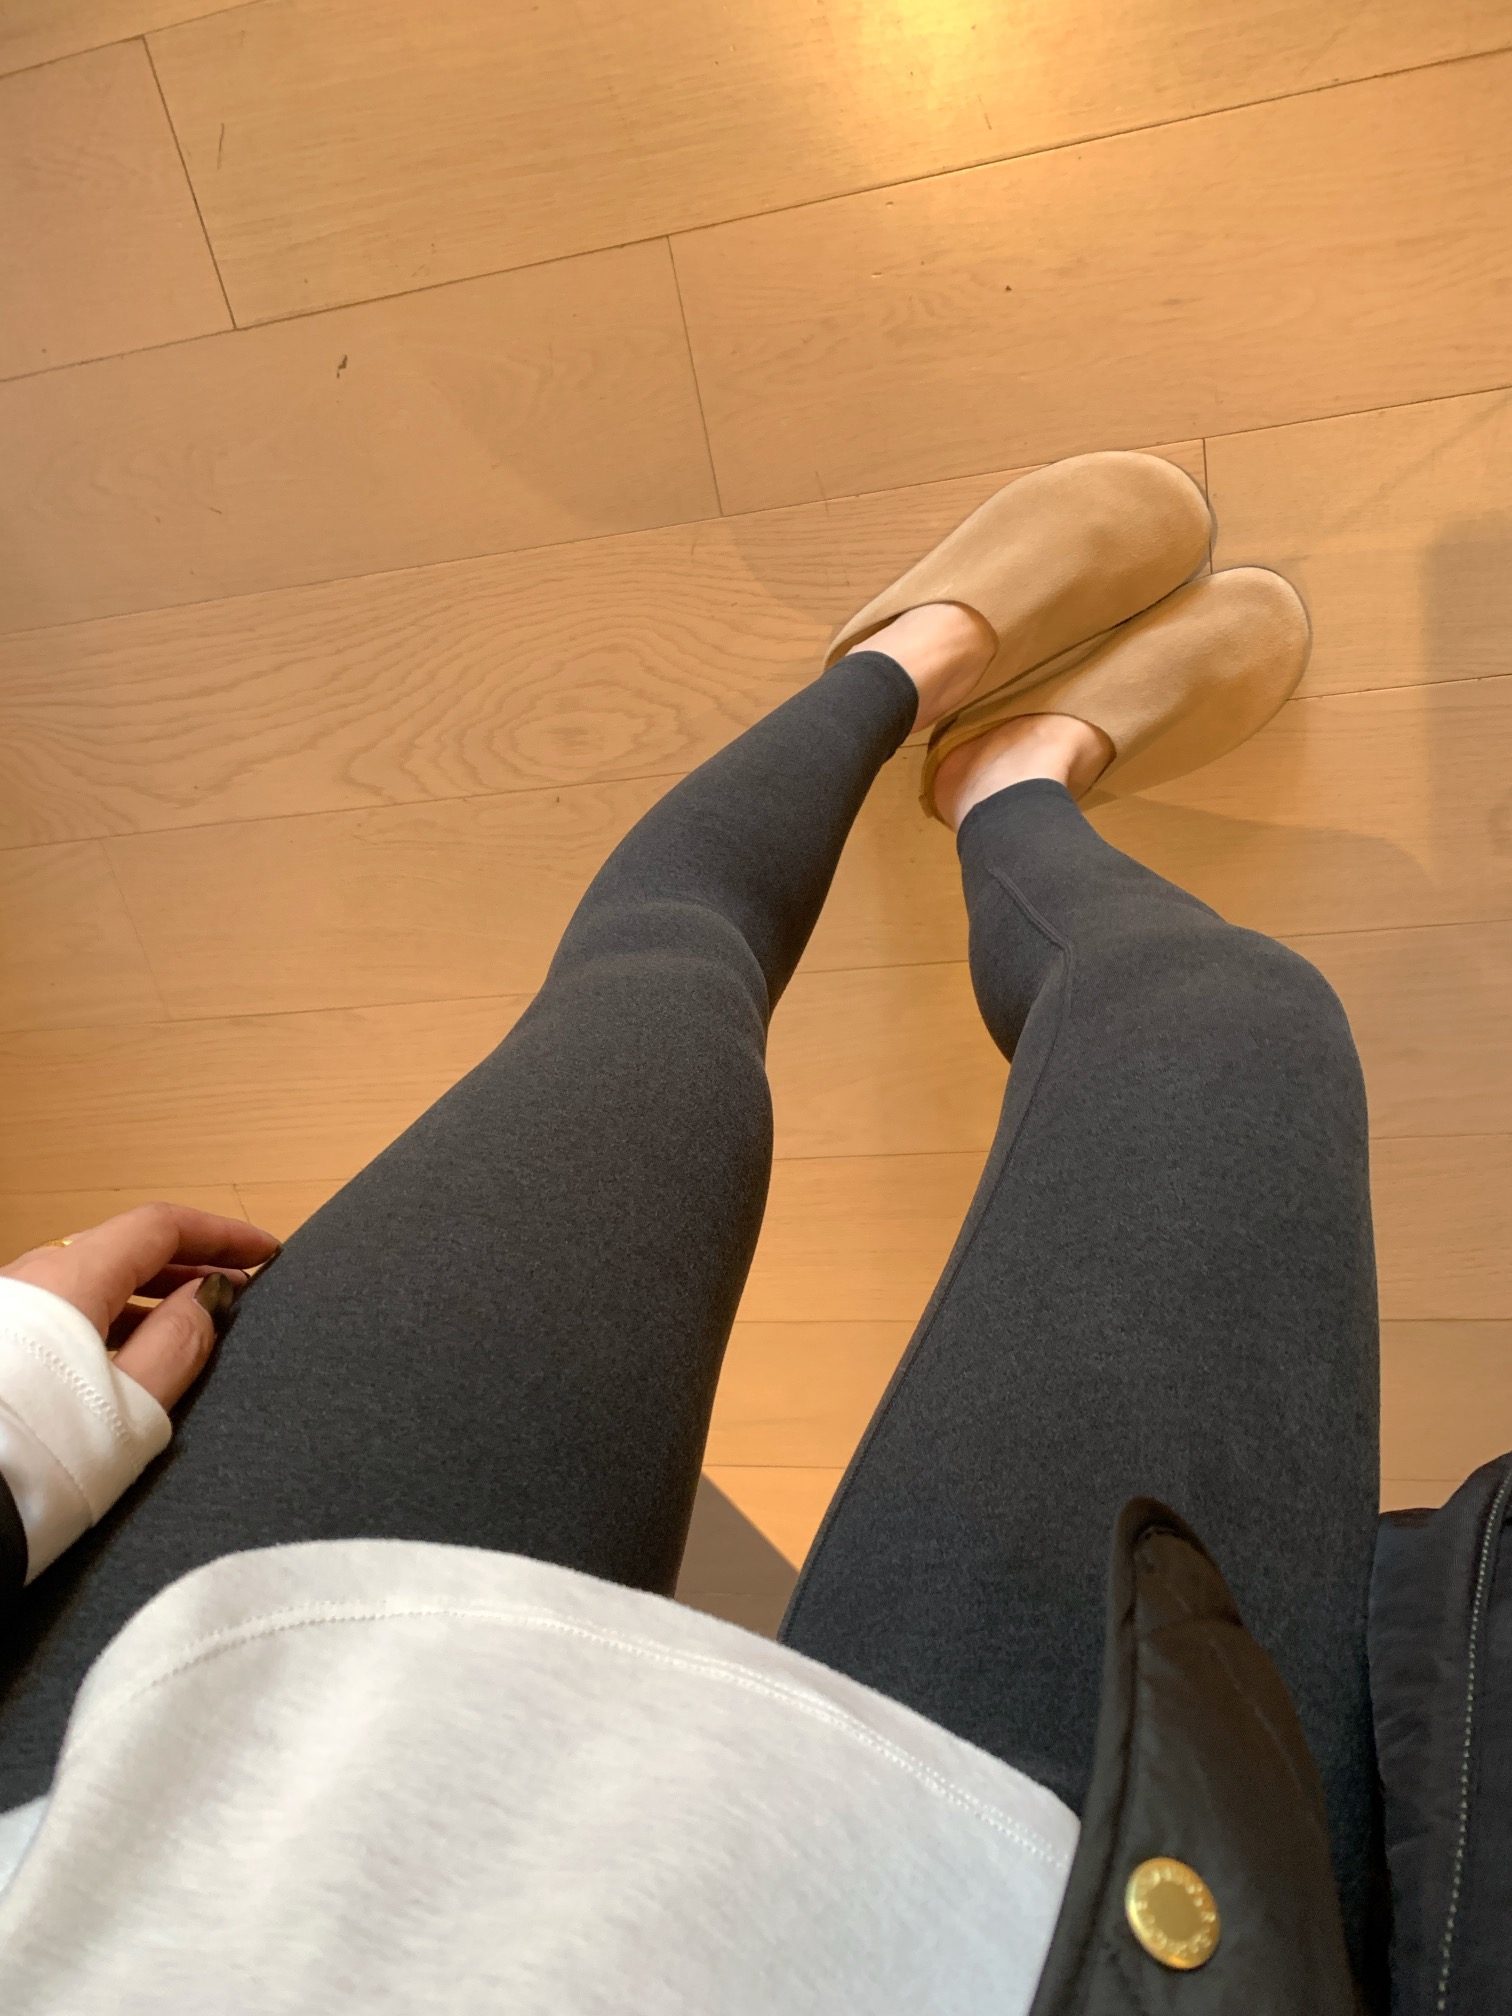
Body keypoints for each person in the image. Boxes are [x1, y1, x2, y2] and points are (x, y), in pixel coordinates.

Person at [0, 452, 1378, 2012]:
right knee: (1236, 1028)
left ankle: (897, 669)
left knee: (653, 1010)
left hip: (130, 1793)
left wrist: (14, 1419)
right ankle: (1012, 785)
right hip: (1047, 1937)